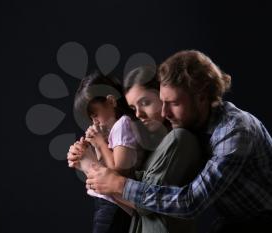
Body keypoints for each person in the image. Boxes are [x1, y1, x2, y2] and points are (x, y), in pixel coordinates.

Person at [84, 50, 272, 233]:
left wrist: (119, 184)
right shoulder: (192, 125)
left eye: (174, 103)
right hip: (232, 219)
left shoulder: (234, 131)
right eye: (162, 102)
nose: (165, 113)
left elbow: (191, 201)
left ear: (201, 97)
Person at [69, 66, 206, 233]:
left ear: (163, 97)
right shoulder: (150, 144)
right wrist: (87, 160)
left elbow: (142, 205)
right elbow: (131, 201)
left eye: (145, 102)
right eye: (133, 108)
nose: (138, 114)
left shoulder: (178, 140)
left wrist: (90, 165)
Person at [69, 70, 142, 233]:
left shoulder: (123, 124)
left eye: (95, 115)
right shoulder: (113, 130)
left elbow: (118, 170)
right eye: (91, 118)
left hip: (114, 206)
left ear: (111, 101)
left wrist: (100, 143)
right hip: (107, 202)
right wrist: (91, 150)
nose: (94, 121)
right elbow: (104, 166)